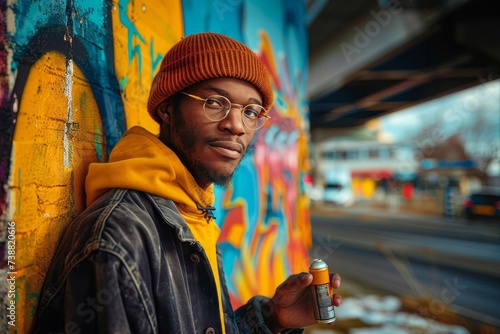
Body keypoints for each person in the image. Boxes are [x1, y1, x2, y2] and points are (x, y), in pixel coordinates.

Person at [30, 32, 342, 334]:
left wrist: (273, 320)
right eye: (215, 102)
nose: (236, 125)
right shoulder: (120, 236)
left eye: (250, 111)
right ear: (167, 108)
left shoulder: (193, 213)